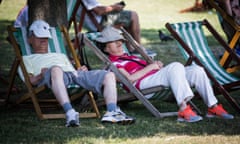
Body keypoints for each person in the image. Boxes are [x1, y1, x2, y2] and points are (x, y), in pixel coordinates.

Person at [95, 26, 234, 123]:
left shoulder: (129, 56)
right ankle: (183, 109)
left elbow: (151, 69)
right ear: (106, 48)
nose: (119, 43)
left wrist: (156, 66)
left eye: (120, 40)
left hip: (155, 78)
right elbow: (129, 79)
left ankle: (213, 107)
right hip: (141, 86)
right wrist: (151, 67)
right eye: (114, 42)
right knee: (175, 66)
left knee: (196, 69)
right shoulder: (113, 64)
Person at [24, 20, 135, 127]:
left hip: (73, 75)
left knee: (108, 75)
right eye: (39, 37)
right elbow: (30, 81)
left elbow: (71, 71)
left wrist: (79, 70)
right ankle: (70, 112)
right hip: (51, 77)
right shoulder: (27, 59)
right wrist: (40, 76)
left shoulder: (60, 55)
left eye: (45, 38)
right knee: (56, 69)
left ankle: (112, 111)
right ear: (30, 40)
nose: (43, 40)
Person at [75, 0, 141, 52]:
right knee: (133, 15)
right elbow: (99, 11)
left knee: (125, 18)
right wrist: (114, 7)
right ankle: (139, 48)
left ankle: (130, 48)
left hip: (99, 21)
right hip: (100, 23)